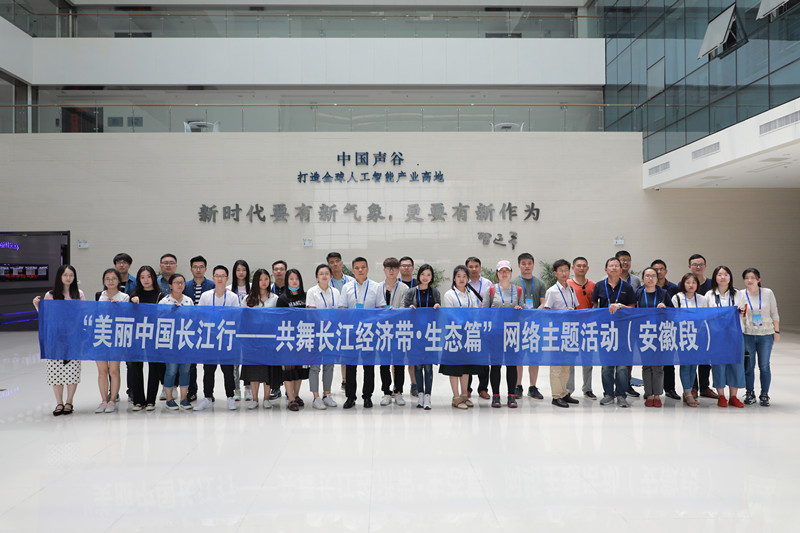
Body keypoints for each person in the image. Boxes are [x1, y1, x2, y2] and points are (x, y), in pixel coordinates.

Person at [33, 265, 84, 416]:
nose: (68, 278)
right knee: (55, 372)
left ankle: (69, 402)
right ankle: (59, 402)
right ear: (59, 277)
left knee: (72, 371)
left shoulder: (78, 294)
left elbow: (82, 315)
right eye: (65, 275)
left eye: (71, 275)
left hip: (73, 338)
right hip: (54, 338)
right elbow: (46, 316)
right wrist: (37, 306)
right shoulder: (50, 295)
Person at [193, 265, 241, 412]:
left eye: (222, 276)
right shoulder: (206, 296)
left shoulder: (232, 297)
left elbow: (236, 317)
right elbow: (200, 315)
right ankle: (208, 397)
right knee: (208, 370)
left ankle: (230, 397)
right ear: (213, 278)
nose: (220, 279)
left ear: (227, 278)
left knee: (228, 370)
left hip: (226, 338)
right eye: (217, 276)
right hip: (210, 338)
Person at [593, 257, 636, 408]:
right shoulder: (599, 286)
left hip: (623, 331)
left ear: (621, 269)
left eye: (617, 266)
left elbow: (633, 308)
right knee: (606, 366)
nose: (614, 268)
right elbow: (594, 307)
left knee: (622, 367)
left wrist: (621, 306)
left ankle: (621, 395)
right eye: (611, 266)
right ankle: (608, 394)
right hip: (605, 331)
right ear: (606, 269)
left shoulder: (627, 287)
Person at [340, 257, 382, 409]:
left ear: (367, 269)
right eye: (357, 267)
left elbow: (380, 309)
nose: (360, 270)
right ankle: (350, 397)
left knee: (368, 366)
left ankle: (367, 396)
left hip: (369, 332)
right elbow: (342, 308)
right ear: (352, 270)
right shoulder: (346, 287)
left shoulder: (376, 287)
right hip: (351, 332)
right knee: (351, 366)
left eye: (363, 267)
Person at [483, 260, 523, 408]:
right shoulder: (491, 290)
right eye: (501, 271)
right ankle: (496, 396)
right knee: (496, 365)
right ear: (497, 273)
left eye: (507, 271)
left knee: (511, 365)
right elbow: (484, 311)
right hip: (495, 333)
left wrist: (520, 308)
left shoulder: (518, 290)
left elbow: (524, 308)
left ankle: (512, 396)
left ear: (511, 273)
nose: (504, 273)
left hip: (512, 332)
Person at [240, 269, 282, 410]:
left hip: (269, 340)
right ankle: (254, 398)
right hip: (253, 341)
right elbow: (243, 319)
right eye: (260, 279)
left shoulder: (274, 298)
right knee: (254, 371)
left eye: (266, 279)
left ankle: (266, 398)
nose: (264, 282)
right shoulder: (247, 299)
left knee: (267, 370)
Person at [739, 268, 780, 407]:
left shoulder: (767, 293)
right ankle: (749, 393)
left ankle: (764, 394)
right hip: (748, 334)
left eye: (752, 277)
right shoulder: (741, 294)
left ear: (758, 279)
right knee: (749, 366)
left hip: (765, 334)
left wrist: (777, 331)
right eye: (746, 278)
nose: (749, 280)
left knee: (764, 365)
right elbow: (738, 313)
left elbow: (774, 312)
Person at [706, 266, 745, 408]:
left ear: (730, 277)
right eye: (719, 274)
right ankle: (721, 396)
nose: (723, 277)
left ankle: (733, 396)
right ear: (715, 277)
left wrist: (740, 311)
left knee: (735, 365)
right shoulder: (709, 295)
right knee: (718, 365)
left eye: (726, 274)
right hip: (717, 335)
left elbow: (744, 312)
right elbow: (706, 315)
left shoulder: (738, 294)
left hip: (735, 334)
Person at [543, 259, 580, 408]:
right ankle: (556, 396)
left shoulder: (571, 289)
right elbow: (547, 313)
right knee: (556, 367)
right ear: (555, 273)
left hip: (569, 332)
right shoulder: (551, 291)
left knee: (567, 366)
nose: (564, 273)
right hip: (556, 333)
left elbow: (575, 308)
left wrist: (571, 312)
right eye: (561, 271)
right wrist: (563, 313)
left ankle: (564, 393)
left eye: (566, 270)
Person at [403, 264, 441, 410]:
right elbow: (404, 311)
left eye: (428, 275)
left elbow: (439, 312)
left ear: (432, 277)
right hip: (415, 334)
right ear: (419, 275)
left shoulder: (435, 292)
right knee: (417, 366)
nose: (425, 277)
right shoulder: (411, 292)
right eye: (423, 274)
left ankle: (428, 397)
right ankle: (420, 394)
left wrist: (437, 308)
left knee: (428, 367)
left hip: (430, 333)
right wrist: (409, 309)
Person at [441, 265, 479, 410]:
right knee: (454, 367)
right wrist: (464, 320)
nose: (462, 279)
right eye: (459, 276)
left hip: (468, 334)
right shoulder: (449, 294)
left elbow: (475, 312)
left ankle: (464, 395)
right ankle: (456, 397)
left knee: (466, 367)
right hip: (454, 334)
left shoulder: (471, 294)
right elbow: (451, 314)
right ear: (454, 278)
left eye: (464, 276)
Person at [635, 267, 674, 408]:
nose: (650, 278)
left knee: (658, 366)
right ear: (643, 278)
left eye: (653, 276)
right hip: (643, 333)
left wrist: (665, 308)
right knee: (646, 365)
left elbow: (673, 312)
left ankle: (657, 395)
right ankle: (649, 394)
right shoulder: (638, 293)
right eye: (647, 275)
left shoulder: (663, 293)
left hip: (660, 333)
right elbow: (632, 311)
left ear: (657, 279)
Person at [129, 265, 165, 411]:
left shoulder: (160, 296)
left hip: (153, 337)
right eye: (142, 277)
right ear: (138, 279)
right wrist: (131, 301)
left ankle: (151, 400)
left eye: (149, 277)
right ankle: (138, 401)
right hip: (136, 337)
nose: (146, 280)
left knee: (154, 368)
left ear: (154, 278)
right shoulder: (133, 296)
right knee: (136, 368)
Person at [305, 264, 340, 410]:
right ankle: (316, 397)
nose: (324, 276)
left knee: (329, 365)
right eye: (321, 273)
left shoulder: (336, 292)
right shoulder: (312, 292)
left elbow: (338, 312)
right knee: (315, 366)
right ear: (316, 276)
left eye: (327, 273)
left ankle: (327, 394)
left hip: (331, 333)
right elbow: (311, 313)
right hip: (316, 333)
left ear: (331, 276)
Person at [511, 252, 546, 400]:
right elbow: (512, 303)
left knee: (534, 358)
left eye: (529, 263)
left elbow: (543, 303)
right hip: (518, 326)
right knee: (518, 357)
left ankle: (533, 387)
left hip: (535, 326)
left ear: (533, 265)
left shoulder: (540, 283)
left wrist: (534, 313)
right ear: (519, 265)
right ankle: (518, 386)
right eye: (523, 264)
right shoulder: (513, 283)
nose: (527, 266)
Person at [96, 268, 130, 413]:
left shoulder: (124, 297)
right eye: (107, 279)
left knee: (114, 370)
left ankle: (112, 400)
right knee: (102, 371)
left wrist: (118, 308)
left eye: (113, 278)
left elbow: (127, 317)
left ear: (119, 281)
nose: (110, 281)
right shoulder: (99, 295)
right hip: (101, 336)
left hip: (116, 337)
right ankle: (103, 400)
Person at [671, 273, 708, 407]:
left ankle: (690, 390)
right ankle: (687, 392)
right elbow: (674, 317)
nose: (691, 285)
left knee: (694, 365)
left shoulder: (702, 299)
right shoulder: (677, 298)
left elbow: (706, 316)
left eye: (694, 282)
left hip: (698, 336)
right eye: (688, 282)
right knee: (685, 364)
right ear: (683, 284)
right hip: (682, 335)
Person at [158, 274, 194, 411]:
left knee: (185, 370)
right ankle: (169, 399)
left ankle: (184, 399)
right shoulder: (164, 301)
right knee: (171, 370)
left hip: (185, 340)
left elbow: (193, 319)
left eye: (182, 282)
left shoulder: (189, 300)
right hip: (170, 342)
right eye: (176, 282)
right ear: (170, 285)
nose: (179, 285)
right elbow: (159, 320)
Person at [378, 257, 409, 407]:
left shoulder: (404, 288)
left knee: (399, 363)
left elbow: (404, 308)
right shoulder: (378, 287)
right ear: (384, 270)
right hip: (382, 331)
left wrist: (392, 311)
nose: (391, 271)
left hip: (399, 330)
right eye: (388, 268)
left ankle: (399, 392)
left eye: (394, 268)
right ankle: (386, 392)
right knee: (384, 363)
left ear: (398, 270)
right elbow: (376, 308)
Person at [277, 268, 309, 411]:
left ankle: (296, 395)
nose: (294, 281)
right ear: (287, 281)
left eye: (296, 279)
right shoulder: (283, 298)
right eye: (291, 279)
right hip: (288, 337)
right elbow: (279, 319)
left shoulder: (306, 296)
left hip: (303, 336)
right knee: (288, 368)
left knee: (299, 368)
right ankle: (290, 398)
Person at [183, 255, 214, 401]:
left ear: (205, 269)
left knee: (209, 364)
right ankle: (192, 391)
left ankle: (209, 393)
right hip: (190, 328)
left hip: (209, 329)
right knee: (191, 363)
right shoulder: (185, 286)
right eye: (195, 267)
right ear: (191, 269)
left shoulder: (212, 285)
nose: (198, 270)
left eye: (201, 267)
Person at [566, 256, 596, 399]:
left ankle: (587, 389)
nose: (581, 268)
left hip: (588, 327)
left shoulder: (593, 285)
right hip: (571, 327)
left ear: (587, 268)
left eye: (584, 266)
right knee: (570, 360)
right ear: (573, 268)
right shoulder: (567, 284)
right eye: (578, 266)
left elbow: (595, 305)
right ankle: (568, 389)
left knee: (588, 360)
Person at [651, 259, 681, 400]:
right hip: (650, 330)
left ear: (666, 271)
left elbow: (675, 309)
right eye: (655, 269)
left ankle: (670, 389)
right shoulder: (644, 289)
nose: (658, 272)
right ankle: (650, 390)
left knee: (668, 361)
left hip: (668, 329)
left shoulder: (673, 288)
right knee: (650, 362)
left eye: (661, 269)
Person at [689, 253, 716, 399]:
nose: (698, 267)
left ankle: (705, 387)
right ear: (690, 267)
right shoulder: (686, 282)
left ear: (705, 266)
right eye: (695, 264)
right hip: (691, 329)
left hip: (707, 329)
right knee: (692, 358)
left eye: (700, 264)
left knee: (706, 359)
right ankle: (693, 387)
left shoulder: (712, 284)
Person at [465, 256, 492, 400]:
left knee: (484, 358)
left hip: (484, 325)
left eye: (476, 266)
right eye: (470, 266)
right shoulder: (463, 282)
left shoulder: (488, 283)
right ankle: (467, 388)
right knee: (468, 357)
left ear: (480, 267)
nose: (474, 269)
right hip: (468, 325)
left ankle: (483, 388)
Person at [227, 259, 252, 401]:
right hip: (233, 329)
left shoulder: (252, 287)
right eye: (238, 270)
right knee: (235, 361)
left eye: (243, 270)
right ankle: (236, 389)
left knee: (248, 360)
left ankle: (248, 388)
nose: (241, 273)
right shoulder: (229, 289)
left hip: (249, 329)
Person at [399, 256, 419, 397]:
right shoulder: (395, 283)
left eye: (408, 265)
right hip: (397, 325)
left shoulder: (419, 284)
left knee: (413, 358)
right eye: (403, 265)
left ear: (412, 268)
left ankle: (414, 384)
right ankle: (397, 386)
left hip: (415, 326)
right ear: (399, 268)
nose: (406, 268)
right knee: (397, 359)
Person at [269, 259, 288, 400]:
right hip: (273, 330)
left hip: (289, 330)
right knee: (274, 361)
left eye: (281, 269)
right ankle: (275, 388)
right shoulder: (269, 289)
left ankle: (289, 390)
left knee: (288, 361)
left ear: (286, 271)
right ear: (273, 272)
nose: (279, 272)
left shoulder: (292, 287)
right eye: (276, 269)